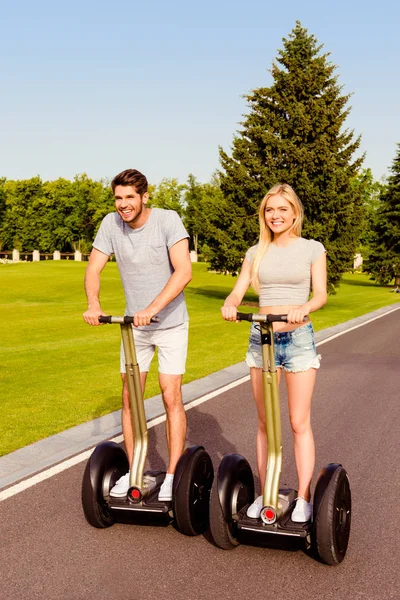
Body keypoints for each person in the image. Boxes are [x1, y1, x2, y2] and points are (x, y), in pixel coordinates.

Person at [83, 168, 192, 501]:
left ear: (144, 197)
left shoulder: (167, 220)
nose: (123, 204)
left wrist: (153, 307)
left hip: (170, 324)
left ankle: (173, 474)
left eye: (130, 197)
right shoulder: (110, 225)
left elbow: (184, 271)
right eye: (118, 198)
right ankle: (136, 469)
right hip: (135, 329)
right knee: (130, 397)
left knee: (170, 393)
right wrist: (94, 303)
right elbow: (93, 267)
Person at [221, 183, 327, 522]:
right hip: (261, 339)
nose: (276, 215)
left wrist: (304, 307)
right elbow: (239, 289)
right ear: (263, 215)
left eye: (282, 209)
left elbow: (320, 294)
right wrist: (230, 302)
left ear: (294, 212)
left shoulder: (312, 248)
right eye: (270, 210)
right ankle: (267, 492)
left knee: (298, 422)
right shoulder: (256, 253)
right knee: (266, 422)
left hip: (297, 339)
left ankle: (304, 497)